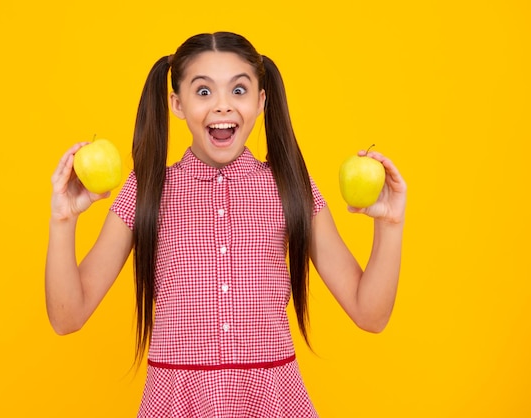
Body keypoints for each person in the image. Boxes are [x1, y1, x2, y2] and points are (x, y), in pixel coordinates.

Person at [45, 31, 407, 417]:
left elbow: (370, 314)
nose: (222, 106)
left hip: (273, 401)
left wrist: (390, 223)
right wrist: (63, 219)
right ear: (177, 103)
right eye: (203, 92)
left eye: (238, 90)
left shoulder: (291, 186)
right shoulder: (146, 189)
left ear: (261, 101)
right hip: (177, 402)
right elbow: (68, 317)